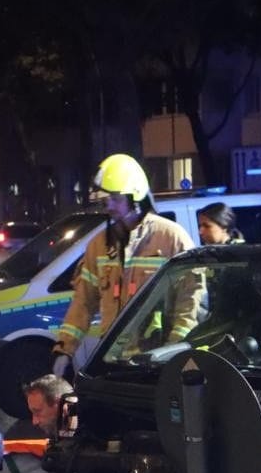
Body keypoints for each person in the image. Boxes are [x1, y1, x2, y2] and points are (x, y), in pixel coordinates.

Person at [53, 153, 199, 376]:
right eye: (105, 200)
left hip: (158, 359)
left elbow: (191, 300)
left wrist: (175, 350)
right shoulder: (99, 245)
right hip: (113, 360)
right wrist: (64, 349)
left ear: (136, 197)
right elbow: (83, 302)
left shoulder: (171, 238)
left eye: (116, 198)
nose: (108, 206)